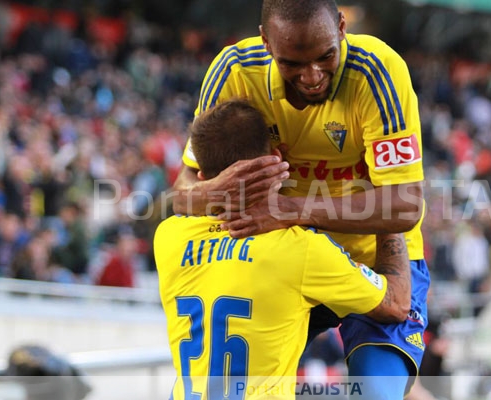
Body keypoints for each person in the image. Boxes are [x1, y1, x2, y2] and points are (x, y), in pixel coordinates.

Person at [172, 0, 429, 397]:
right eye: (292, 63)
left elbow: (406, 207)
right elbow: (183, 195)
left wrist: (290, 210)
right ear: (265, 42)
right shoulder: (234, 70)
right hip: (285, 255)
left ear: (342, 27)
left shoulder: (379, 70)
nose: (312, 76)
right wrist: (213, 190)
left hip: (373, 251)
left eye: (326, 56)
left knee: (376, 391)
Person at [155, 98, 412, 399]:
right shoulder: (300, 249)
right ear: (277, 158)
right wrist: (387, 210)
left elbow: (185, 201)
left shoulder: (168, 238)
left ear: (202, 177)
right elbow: (396, 304)